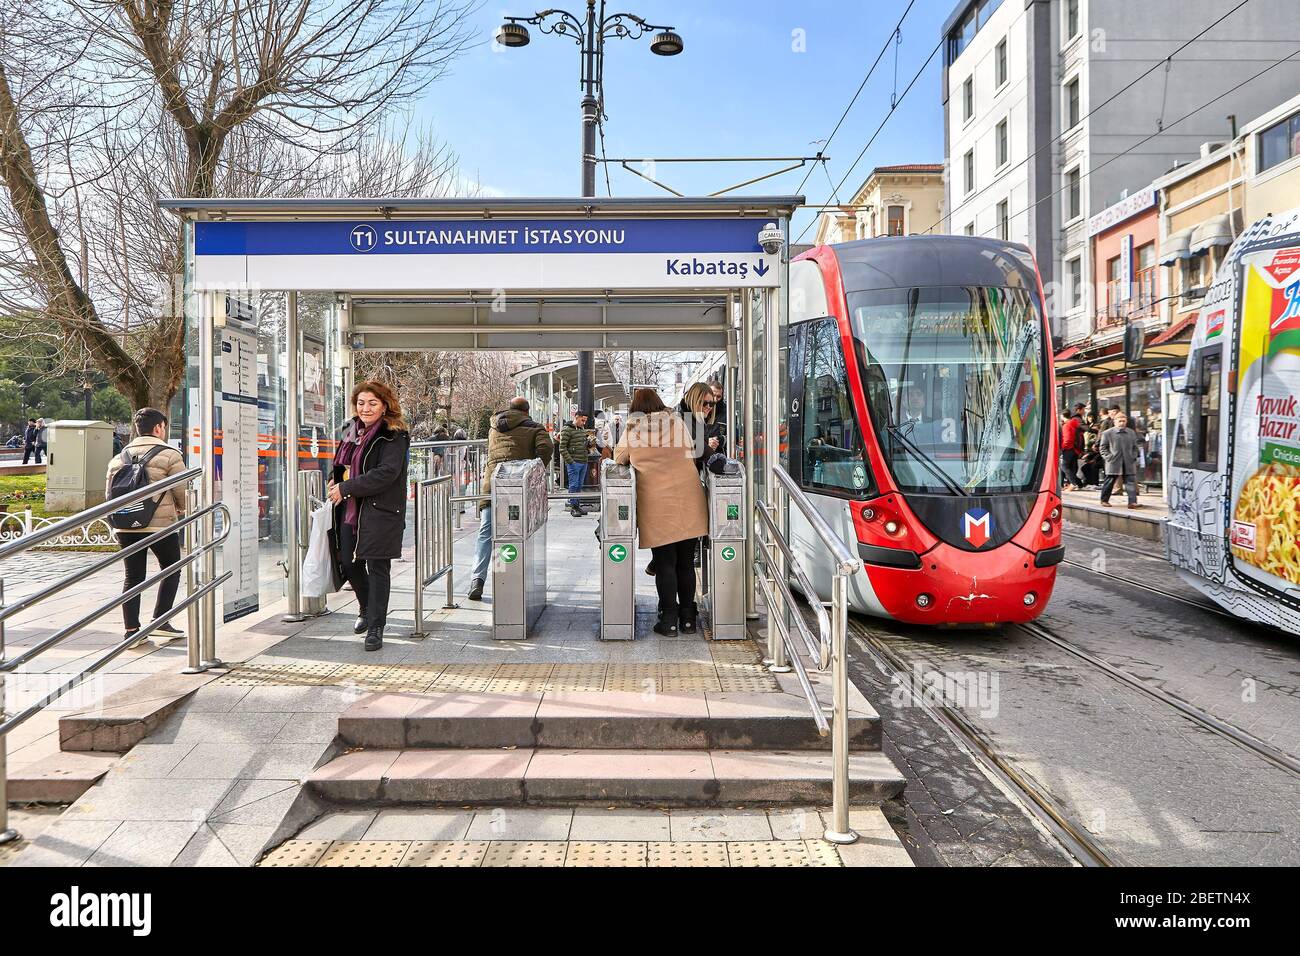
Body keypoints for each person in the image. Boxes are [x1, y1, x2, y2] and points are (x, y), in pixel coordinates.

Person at [616, 388, 709, 635]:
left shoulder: (633, 428)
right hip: (688, 497)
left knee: (666, 563)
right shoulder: (677, 422)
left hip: (656, 502)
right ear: (659, 402)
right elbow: (692, 449)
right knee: (686, 563)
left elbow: (620, 457)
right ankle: (688, 618)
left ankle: (668, 620)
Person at [326, 381, 410, 651]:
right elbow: (341, 463)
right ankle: (365, 606)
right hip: (350, 509)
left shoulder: (393, 434)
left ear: (385, 405)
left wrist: (346, 487)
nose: (366, 408)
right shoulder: (350, 429)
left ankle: (376, 627)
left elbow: (387, 472)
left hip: (379, 511)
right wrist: (335, 480)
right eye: (361, 403)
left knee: (377, 568)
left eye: (372, 403)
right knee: (349, 565)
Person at [105, 408, 187, 647]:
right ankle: (161, 622)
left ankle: (132, 632)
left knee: (133, 576)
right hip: (159, 525)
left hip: (125, 525)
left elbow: (108, 493)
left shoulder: (118, 457)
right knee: (171, 568)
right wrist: (182, 508)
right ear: (159, 427)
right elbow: (181, 488)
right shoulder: (170, 455)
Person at [467, 397, 554, 601]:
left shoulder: (494, 427)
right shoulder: (535, 428)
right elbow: (546, 449)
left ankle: (477, 579)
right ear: (527, 411)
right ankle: (511, 579)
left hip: (492, 486)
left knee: (487, 532)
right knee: (515, 532)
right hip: (518, 488)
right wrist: (534, 468)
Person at [1098, 413, 1141, 509]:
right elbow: (1103, 448)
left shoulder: (1131, 432)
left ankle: (1132, 502)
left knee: (1130, 481)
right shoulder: (1107, 433)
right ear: (1115, 422)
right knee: (1109, 481)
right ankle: (1104, 500)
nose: (1122, 423)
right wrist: (1109, 457)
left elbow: (1135, 447)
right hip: (1113, 462)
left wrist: (1133, 456)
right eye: (1119, 421)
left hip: (1128, 461)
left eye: (1124, 421)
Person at [559, 410, 593, 517]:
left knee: (579, 485)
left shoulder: (582, 429)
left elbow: (581, 444)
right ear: (576, 417)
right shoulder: (567, 430)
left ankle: (577, 505)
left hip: (583, 461)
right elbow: (562, 448)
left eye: (585, 421)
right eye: (582, 420)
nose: (584, 423)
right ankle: (573, 507)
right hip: (574, 462)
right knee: (573, 485)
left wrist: (588, 444)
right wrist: (571, 462)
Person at [1060, 403, 1086, 491]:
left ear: (1063, 416)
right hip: (1075, 449)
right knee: (1071, 467)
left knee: (1064, 466)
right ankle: (1078, 483)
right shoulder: (1073, 424)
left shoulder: (1066, 426)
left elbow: (1067, 439)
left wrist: (1063, 447)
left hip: (1068, 449)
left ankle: (1073, 483)